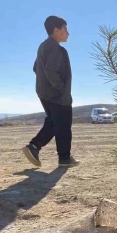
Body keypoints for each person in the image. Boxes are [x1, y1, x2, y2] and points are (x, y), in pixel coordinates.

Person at [22, 16, 79, 168]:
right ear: (56, 30)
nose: (68, 33)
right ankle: (64, 158)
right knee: (63, 125)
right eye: (66, 29)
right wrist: (62, 89)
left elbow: (36, 68)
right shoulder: (55, 48)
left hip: (44, 92)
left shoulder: (43, 46)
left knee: (54, 123)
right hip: (57, 95)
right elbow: (50, 71)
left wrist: (44, 84)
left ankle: (34, 147)